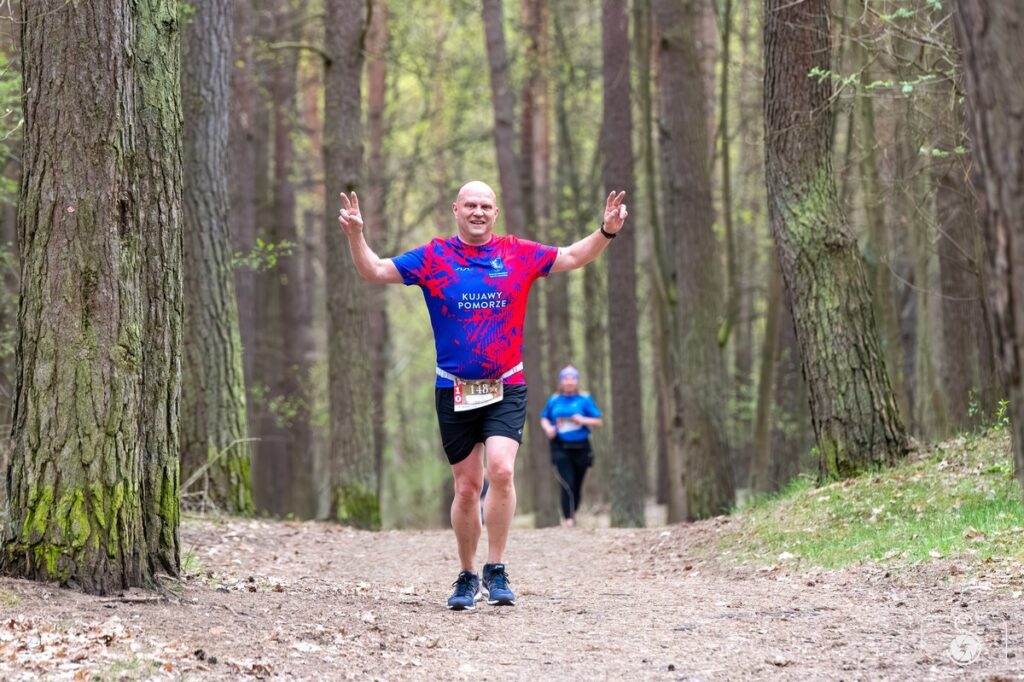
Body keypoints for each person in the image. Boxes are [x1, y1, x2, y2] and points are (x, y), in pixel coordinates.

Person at [338, 180, 627, 611]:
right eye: (470, 205)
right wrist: (356, 235)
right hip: (453, 386)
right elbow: (374, 270)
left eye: (486, 206)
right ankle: (467, 574)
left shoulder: (517, 253)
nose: (478, 212)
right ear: (456, 209)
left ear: (496, 212)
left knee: (502, 471)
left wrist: (606, 232)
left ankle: (496, 567)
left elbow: (571, 256)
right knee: (467, 487)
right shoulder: (434, 256)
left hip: (505, 383)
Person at [540, 365, 603, 527]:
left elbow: (598, 420)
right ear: (561, 381)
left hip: (581, 447)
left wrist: (582, 420)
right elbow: (544, 418)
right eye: (565, 379)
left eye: (572, 378)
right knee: (567, 483)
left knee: (577, 485)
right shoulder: (554, 399)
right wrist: (549, 429)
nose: (569, 382)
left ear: (576, 381)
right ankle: (568, 520)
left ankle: (572, 514)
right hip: (560, 446)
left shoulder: (584, 399)